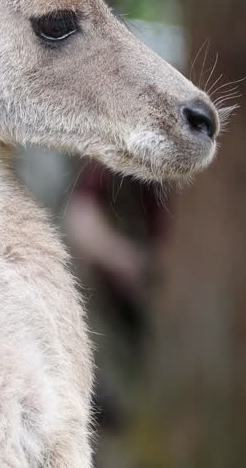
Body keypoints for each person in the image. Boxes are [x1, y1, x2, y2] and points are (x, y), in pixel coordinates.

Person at [62, 160, 166, 433]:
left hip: (129, 311)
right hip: (99, 306)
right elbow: (80, 220)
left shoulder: (159, 180)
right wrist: (121, 258)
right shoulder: (112, 165)